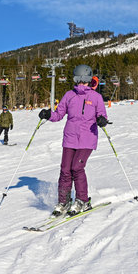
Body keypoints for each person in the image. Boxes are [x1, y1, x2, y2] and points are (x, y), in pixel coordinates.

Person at [39, 65, 109, 216]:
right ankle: (63, 202)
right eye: (79, 80)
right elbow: (58, 115)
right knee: (65, 170)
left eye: (85, 80)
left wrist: (102, 120)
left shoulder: (96, 97)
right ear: (75, 80)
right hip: (70, 138)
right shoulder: (69, 95)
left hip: (87, 138)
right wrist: (47, 114)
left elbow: (102, 114)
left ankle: (82, 200)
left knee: (77, 168)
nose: (82, 83)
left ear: (90, 80)